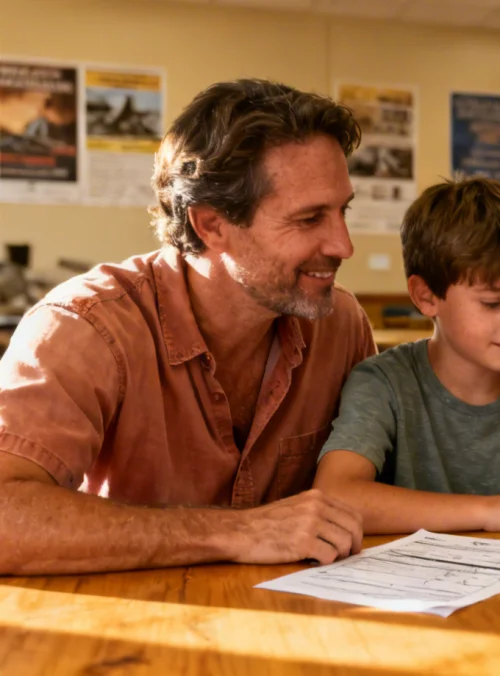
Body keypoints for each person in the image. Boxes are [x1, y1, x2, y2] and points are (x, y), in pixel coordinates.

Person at [0, 79, 375, 575]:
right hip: (130, 634)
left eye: (342, 211)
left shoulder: (339, 324)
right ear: (212, 225)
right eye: (309, 219)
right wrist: (238, 531)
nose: (344, 245)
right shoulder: (85, 327)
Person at [313, 176, 500, 534]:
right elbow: (335, 496)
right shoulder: (383, 384)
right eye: (492, 303)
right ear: (426, 297)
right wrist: (490, 511)